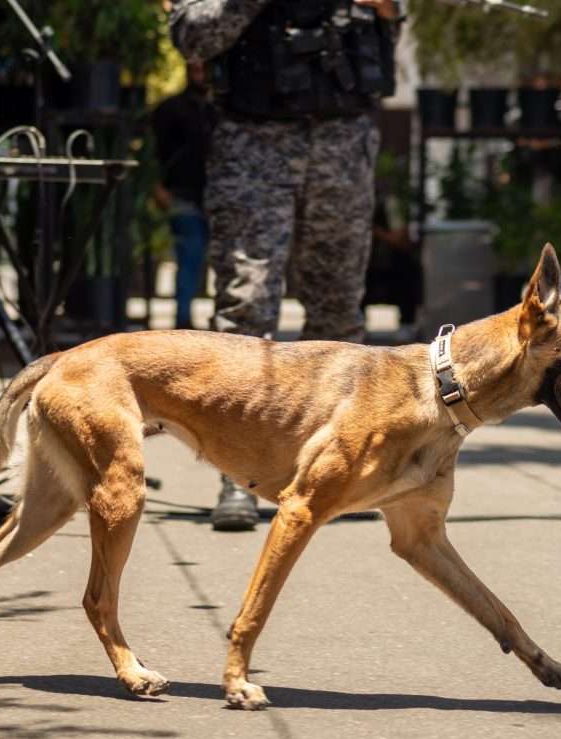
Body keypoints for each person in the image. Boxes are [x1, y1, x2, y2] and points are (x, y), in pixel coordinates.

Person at [170, 0, 402, 530]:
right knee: (246, 307)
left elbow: (389, 32)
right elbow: (191, 37)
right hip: (254, 143)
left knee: (339, 311)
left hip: (342, 143)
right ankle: (240, 477)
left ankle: (339, 472)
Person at [152, 60, 217, 329]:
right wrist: (156, 187)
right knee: (189, 258)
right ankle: (183, 323)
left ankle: (221, 326)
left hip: (221, 195)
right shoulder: (169, 109)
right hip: (182, 194)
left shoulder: (224, 111)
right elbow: (153, 153)